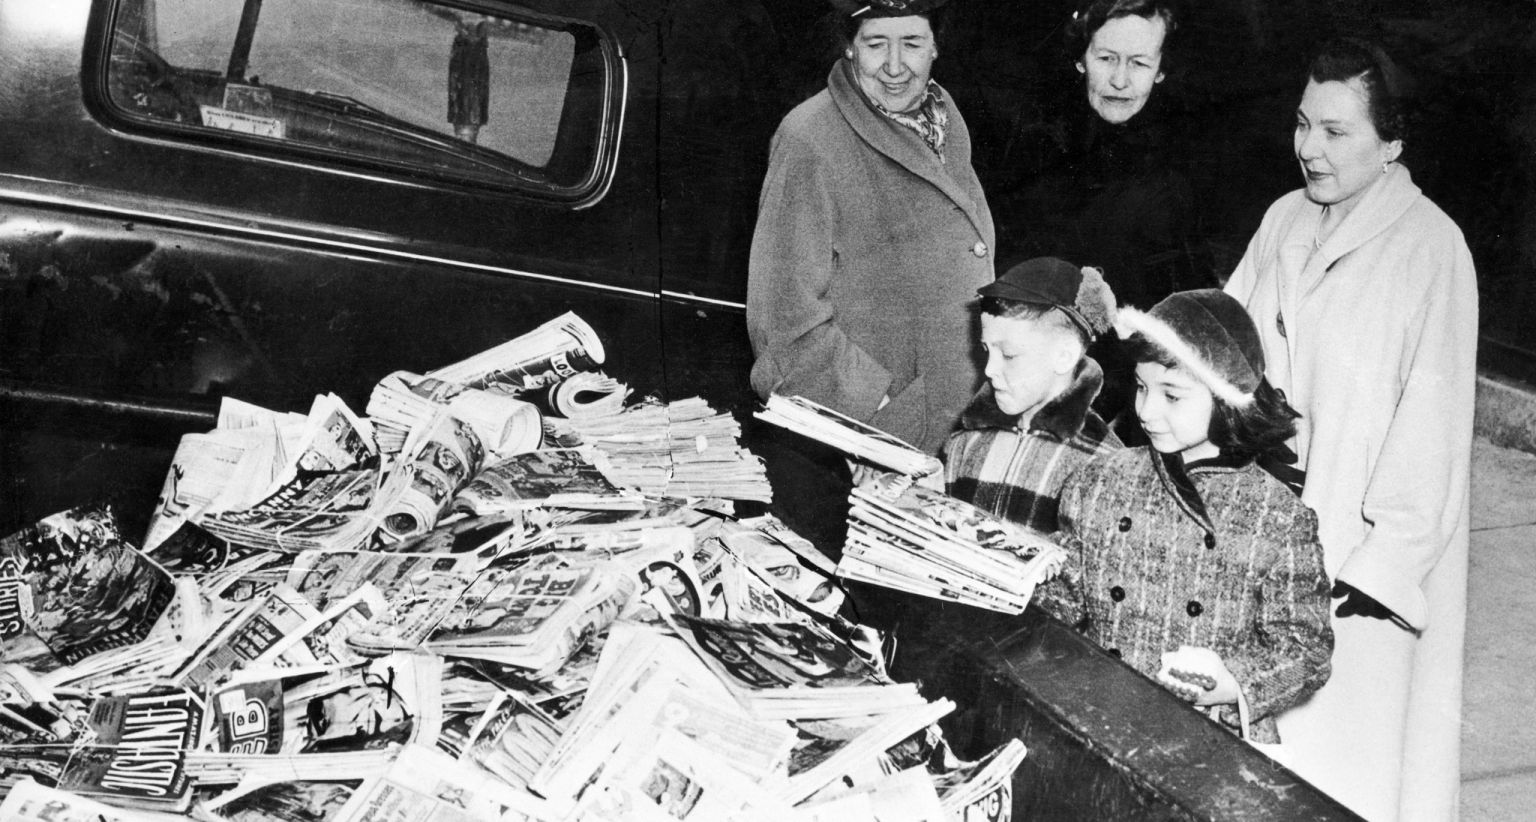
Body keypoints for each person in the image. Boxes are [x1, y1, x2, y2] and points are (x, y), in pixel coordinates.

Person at [1223, 38, 1476, 821]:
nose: (1308, 148)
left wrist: (1381, 570)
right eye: (1303, 125)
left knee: (1347, 770)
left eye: (1336, 132)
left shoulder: (1432, 250)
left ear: (1391, 142)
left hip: (1355, 565)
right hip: (1262, 537)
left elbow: (1432, 431)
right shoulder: (1284, 219)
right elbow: (1223, 348)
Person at [1044, 289, 1334, 746]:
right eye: (1141, 387)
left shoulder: (1278, 517)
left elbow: (1307, 649)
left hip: (1213, 737)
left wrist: (1232, 682)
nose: (1145, 411)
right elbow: (1062, 592)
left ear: (1227, 398)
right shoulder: (1102, 479)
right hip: (1100, 713)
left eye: (1172, 395)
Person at [746, 0, 994, 457]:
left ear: (935, 46)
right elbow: (782, 321)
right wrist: (881, 416)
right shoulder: (810, 138)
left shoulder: (942, 124)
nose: (896, 66)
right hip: (872, 449)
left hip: (951, 438)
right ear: (849, 47)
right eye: (876, 43)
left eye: (913, 43)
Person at [991, 0, 1211, 440]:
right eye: (1106, 58)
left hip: (1130, 412)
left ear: (1162, 70)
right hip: (1027, 392)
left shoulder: (1185, 172)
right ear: (1080, 58)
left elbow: (1180, 317)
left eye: (1139, 63)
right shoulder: (1035, 151)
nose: (1120, 80)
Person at [943, 256, 1123, 534]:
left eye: (1009, 355)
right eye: (986, 350)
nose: (990, 370)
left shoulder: (1106, 465)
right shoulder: (965, 444)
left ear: (1063, 356)